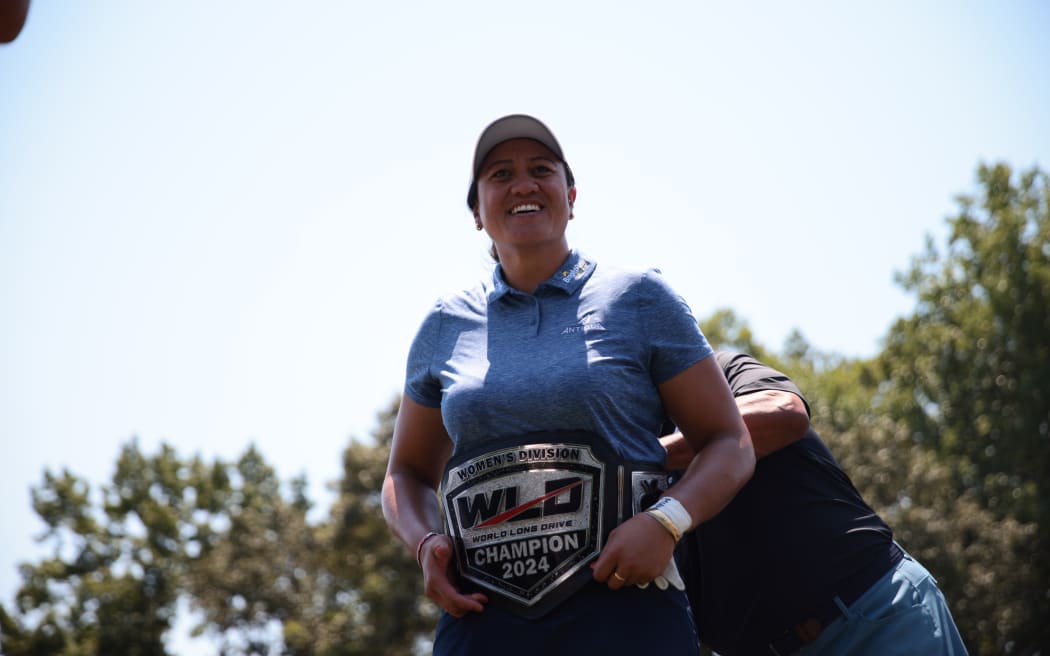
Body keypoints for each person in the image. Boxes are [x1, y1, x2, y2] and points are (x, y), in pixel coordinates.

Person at [381, 114, 755, 655]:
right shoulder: (444, 323)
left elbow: (731, 441)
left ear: (571, 196)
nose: (523, 184)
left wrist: (667, 522)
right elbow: (406, 473)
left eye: (541, 169)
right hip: (484, 621)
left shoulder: (638, 297)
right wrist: (424, 543)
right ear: (477, 213)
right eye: (500, 174)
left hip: (625, 609)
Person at [664, 350, 968, 655]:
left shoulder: (715, 371)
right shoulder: (617, 479)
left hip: (873, 620)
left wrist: (649, 455)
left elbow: (784, 411)